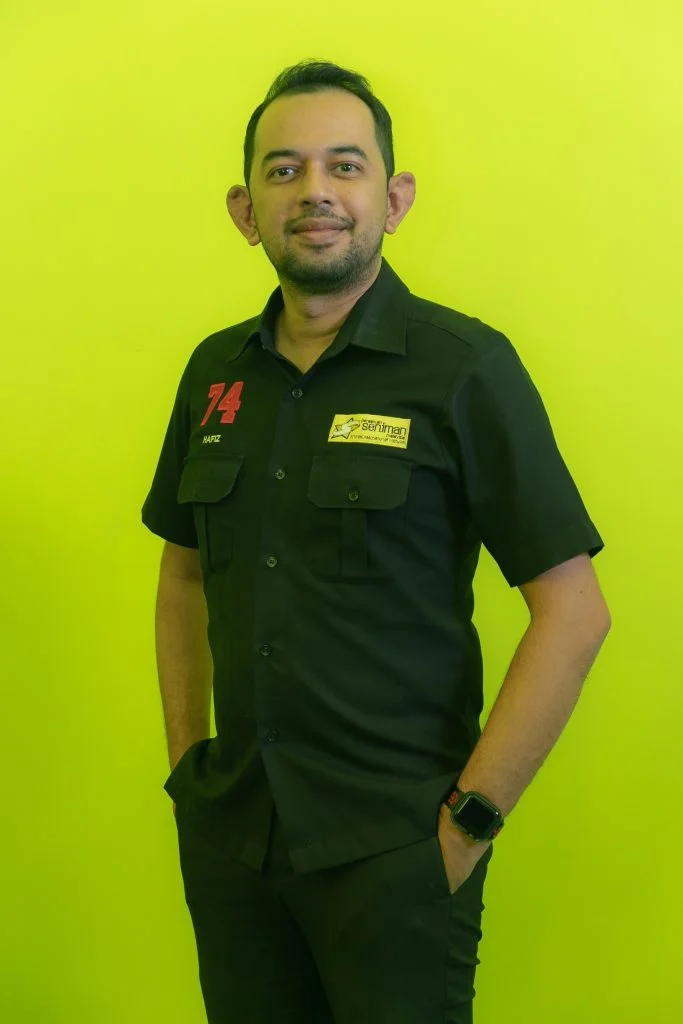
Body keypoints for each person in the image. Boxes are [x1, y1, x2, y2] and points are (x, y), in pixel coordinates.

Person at [141, 59, 611, 1024]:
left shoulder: (464, 369)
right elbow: (182, 574)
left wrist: (469, 822)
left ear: (393, 199)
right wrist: (191, 769)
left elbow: (573, 611)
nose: (313, 190)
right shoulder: (213, 376)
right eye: (283, 170)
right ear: (244, 209)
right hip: (237, 845)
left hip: (397, 855)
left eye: (343, 165)